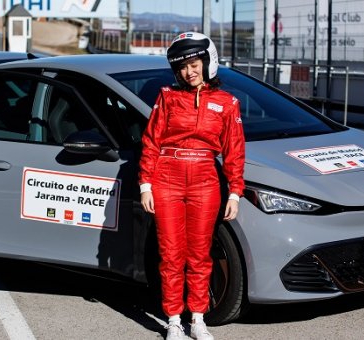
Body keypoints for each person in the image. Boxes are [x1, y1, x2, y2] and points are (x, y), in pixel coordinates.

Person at [138, 32, 245, 340]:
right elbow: (151, 141)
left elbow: (235, 150)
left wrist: (235, 191)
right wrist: (146, 184)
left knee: (199, 254)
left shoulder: (227, 103)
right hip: (167, 179)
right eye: (183, 67)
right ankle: (173, 320)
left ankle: (197, 319)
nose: (189, 72)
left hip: (205, 181)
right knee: (171, 253)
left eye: (194, 64)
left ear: (207, 63)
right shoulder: (167, 97)